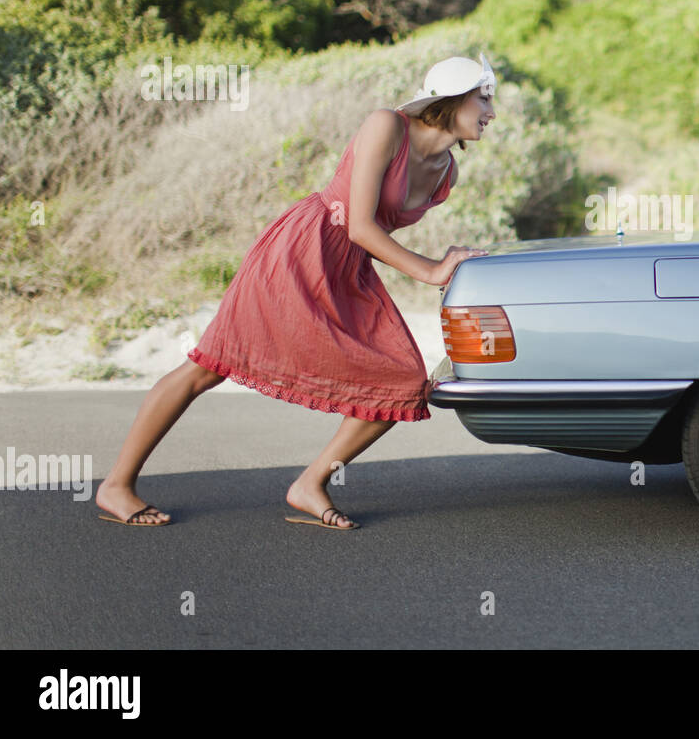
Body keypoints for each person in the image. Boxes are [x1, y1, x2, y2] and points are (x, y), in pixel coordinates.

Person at [94, 54, 497, 529]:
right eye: (484, 98)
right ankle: (116, 485)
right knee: (208, 366)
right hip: (304, 246)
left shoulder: (446, 170)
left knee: (402, 382)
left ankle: (310, 484)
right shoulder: (386, 125)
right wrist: (432, 270)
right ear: (451, 99)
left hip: (349, 268)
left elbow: (369, 237)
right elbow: (361, 224)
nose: (492, 111)